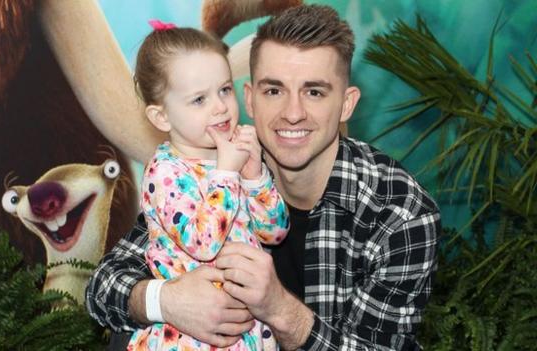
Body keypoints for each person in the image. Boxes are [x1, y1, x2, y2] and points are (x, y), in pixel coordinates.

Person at [86, 5, 441, 350]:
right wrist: (167, 300)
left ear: (346, 104)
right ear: (251, 100)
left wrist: (279, 310)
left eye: (314, 92)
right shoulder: (211, 164)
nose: (292, 113)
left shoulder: (399, 214)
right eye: (274, 90)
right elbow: (102, 287)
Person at [123, 22, 289, 351]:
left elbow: (275, 232)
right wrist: (227, 172)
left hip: (245, 331)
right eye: (199, 99)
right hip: (190, 340)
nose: (220, 106)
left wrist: (256, 178)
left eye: (224, 90)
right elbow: (203, 244)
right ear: (161, 117)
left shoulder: (233, 154)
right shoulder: (165, 174)